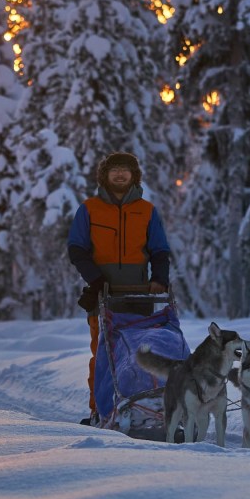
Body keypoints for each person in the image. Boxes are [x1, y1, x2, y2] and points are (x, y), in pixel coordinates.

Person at [68, 151, 171, 423]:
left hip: (139, 297)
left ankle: (141, 410)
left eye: (126, 169)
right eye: (115, 169)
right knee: (102, 355)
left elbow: (160, 250)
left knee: (139, 354)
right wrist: (96, 279)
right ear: (105, 175)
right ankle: (99, 411)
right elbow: (77, 249)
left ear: (134, 175)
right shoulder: (89, 209)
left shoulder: (147, 211)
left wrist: (159, 279)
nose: (120, 174)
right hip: (101, 296)